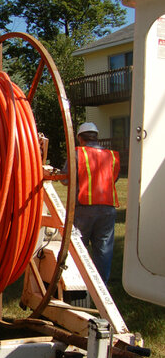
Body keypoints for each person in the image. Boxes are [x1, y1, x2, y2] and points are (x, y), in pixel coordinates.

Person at [65, 122, 120, 284]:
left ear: (80, 138)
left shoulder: (76, 153)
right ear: (96, 137)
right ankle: (101, 285)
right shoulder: (111, 155)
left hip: (84, 209)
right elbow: (114, 179)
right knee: (103, 248)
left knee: (78, 247)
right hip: (107, 208)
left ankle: (78, 283)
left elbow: (66, 179)